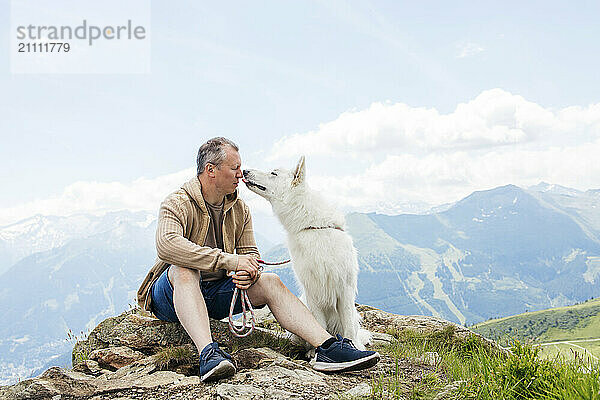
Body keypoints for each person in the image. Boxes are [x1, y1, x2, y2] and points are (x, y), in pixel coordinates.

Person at [137, 137, 380, 382]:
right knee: (185, 270)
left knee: (270, 281)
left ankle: (328, 348)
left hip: (216, 294)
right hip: (172, 297)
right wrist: (230, 262)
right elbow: (167, 245)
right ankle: (208, 354)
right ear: (211, 170)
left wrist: (249, 269)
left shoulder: (240, 209)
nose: (240, 173)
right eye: (234, 168)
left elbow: (250, 253)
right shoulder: (176, 202)